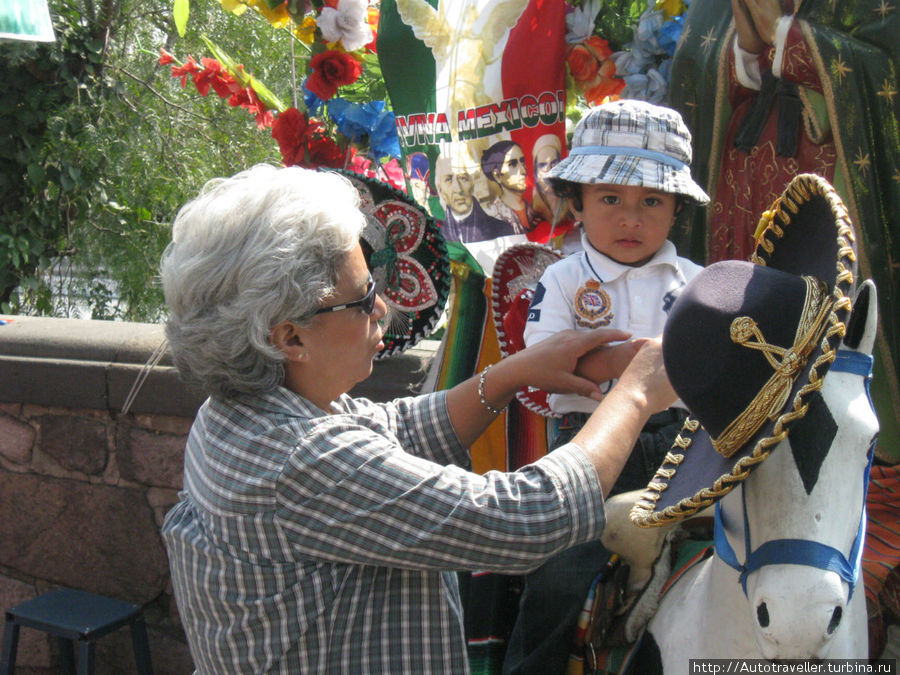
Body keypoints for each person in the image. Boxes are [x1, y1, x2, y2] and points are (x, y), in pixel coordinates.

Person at [159, 163, 677, 674]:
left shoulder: (236, 411)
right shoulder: (300, 460)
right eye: (362, 299)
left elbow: (397, 429)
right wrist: (635, 394)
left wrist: (512, 373)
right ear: (289, 337)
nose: (382, 308)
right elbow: (523, 520)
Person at [505, 99, 710, 675]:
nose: (631, 217)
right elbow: (545, 363)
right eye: (611, 200)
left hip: (685, 445)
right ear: (578, 202)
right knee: (556, 577)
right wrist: (642, 361)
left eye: (651, 201)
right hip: (589, 449)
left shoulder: (699, 286)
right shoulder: (564, 279)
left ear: (676, 210)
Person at [668, 0, 900, 456]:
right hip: (742, 181)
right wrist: (743, 54)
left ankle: (861, 459)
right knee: (747, 326)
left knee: (834, 326)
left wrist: (787, 37)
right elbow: (694, 65)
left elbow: (885, 66)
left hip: (833, 182)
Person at [435, 154, 519, 243]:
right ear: (440, 189)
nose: (458, 189)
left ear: (472, 184)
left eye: (463, 178)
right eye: (448, 180)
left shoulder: (503, 230)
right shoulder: (436, 236)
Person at [481, 140, 542, 234]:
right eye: (513, 164)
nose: (523, 171)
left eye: (522, 161)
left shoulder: (535, 211)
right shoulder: (492, 217)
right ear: (497, 176)